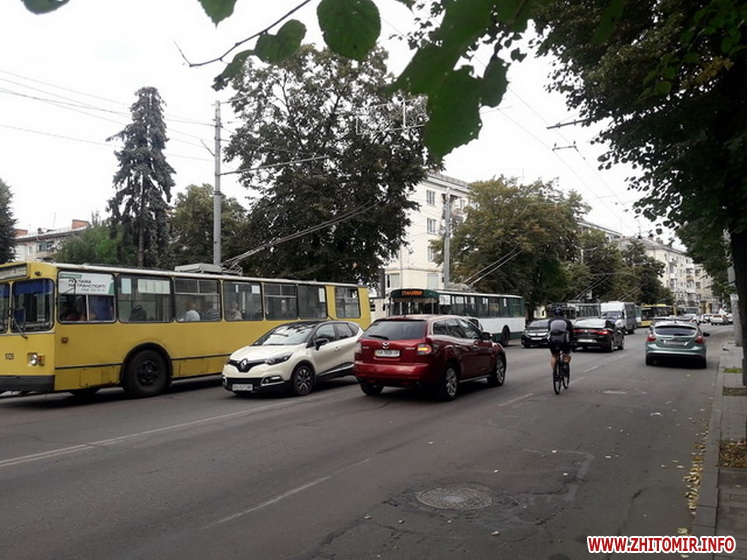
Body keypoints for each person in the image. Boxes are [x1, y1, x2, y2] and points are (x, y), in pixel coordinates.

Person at [547, 306, 574, 375]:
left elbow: (549, 330)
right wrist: (571, 341)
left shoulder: (550, 321)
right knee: (567, 354)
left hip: (553, 340)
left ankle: (554, 372)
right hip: (564, 340)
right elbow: (571, 332)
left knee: (554, 355)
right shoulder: (567, 321)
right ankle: (565, 365)